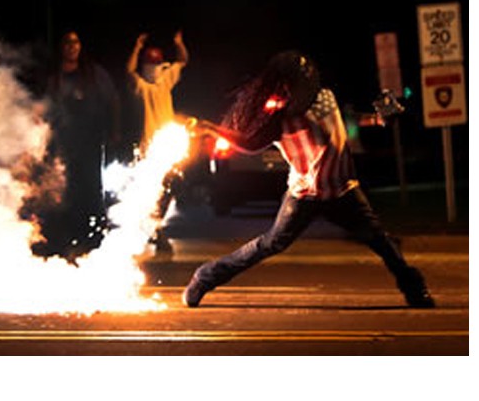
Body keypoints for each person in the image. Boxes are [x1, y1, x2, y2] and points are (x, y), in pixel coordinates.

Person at [182, 50, 435, 308]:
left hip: (342, 190)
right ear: (285, 86)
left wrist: (378, 119)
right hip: (304, 195)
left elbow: (346, 119)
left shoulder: (326, 97)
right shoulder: (277, 119)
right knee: (270, 244)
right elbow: (250, 145)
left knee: (380, 240)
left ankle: (416, 291)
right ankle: (205, 276)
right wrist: (211, 128)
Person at [32, 30, 121, 262]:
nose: (72, 47)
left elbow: (112, 101)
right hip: (61, 143)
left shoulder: (94, 75)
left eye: (76, 42)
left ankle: (91, 241)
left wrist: (113, 131)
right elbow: (42, 107)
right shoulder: (53, 77)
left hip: (89, 142)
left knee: (90, 190)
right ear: (61, 47)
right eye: (67, 42)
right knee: (62, 191)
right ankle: (61, 241)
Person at [126, 30, 189, 255]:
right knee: (153, 191)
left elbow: (182, 60)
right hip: (148, 149)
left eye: (156, 64)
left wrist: (178, 43)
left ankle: (155, 227)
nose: (153, 69)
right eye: (150, 65)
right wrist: (137, 47)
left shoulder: (165, 82)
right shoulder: (143, 87)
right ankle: (155, 230)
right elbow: (129, 71)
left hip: (167, 147)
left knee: (168, 190)